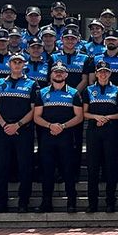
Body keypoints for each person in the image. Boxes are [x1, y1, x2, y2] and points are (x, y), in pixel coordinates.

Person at [33, 62, 85, 213]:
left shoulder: (74, 93)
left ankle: (71, 203)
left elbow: (79, 116)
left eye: (61, 72)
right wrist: (50, 126)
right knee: (47, 171)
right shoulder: (41, 93)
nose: (58, 74)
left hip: (66, 136)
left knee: (68, 171)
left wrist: (62, 126)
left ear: (66, 75)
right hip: (47, 137)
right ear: (51, 74)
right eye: (56, 71)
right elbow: (36, 116)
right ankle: (46, 203)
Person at [0, 53, 39, 213]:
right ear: (9, 65)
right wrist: (5, 125)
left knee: (25, 167)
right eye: (14, 62)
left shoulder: (32, 84)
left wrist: (17, 125)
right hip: (2, 130)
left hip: (23, 130)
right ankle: (1, 202)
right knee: (1, 167)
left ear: (25, 64)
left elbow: (34, 110)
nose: (17, 64)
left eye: (20, 62)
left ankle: (23, 203)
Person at [79, 59, 118, 212]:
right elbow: (84, 113)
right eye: (100, 72)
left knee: (111, 167)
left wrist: (106, 118)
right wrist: (96, 117)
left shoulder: (117, 91)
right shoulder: (88, 90)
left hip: (112, 131)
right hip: (94, 131)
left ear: (110, 73)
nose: (103, 74)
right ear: (96, 74)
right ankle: (92, 204)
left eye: (106, 72)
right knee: (93, 168)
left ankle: (110, 202)